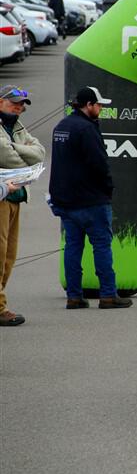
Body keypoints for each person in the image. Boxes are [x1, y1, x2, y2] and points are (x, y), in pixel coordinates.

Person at [48, 86, 131, 309]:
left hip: (66, 201)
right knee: (102, 246)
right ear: (89, 105)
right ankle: (108, 295)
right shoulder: (87, 129)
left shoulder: (61, 126)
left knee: (73, 248)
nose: (101, 108)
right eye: (99, 105)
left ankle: (74, 297)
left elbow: (57, 164)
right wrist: (108, 188)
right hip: (92, 200)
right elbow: (99, 164)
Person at [0, 85, 45, 326]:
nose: (19, 107)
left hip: (16, 197)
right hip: (1, 197)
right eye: (13, 102)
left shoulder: (17, 126)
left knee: (9, 256)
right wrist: (23, 160)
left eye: (21, 105)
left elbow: (39, 153)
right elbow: (5, 156)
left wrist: (15, 149)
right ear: (0, 102)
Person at [0, 180, 23, 325]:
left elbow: (36, 158)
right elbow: (8, 157)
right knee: (0, 256)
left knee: (9, 255)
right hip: (4, 193)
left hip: (13, 195)